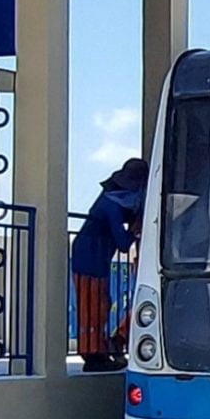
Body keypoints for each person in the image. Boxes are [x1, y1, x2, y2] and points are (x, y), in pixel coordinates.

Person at [71, 157, 150, 371]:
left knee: (101, 303)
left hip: (98, 256)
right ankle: (92, 355)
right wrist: (134, 231)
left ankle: (100, 350)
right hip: (89, 257)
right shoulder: (112, 206)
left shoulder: (111, 200)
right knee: (92, 306)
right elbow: (123, 243)